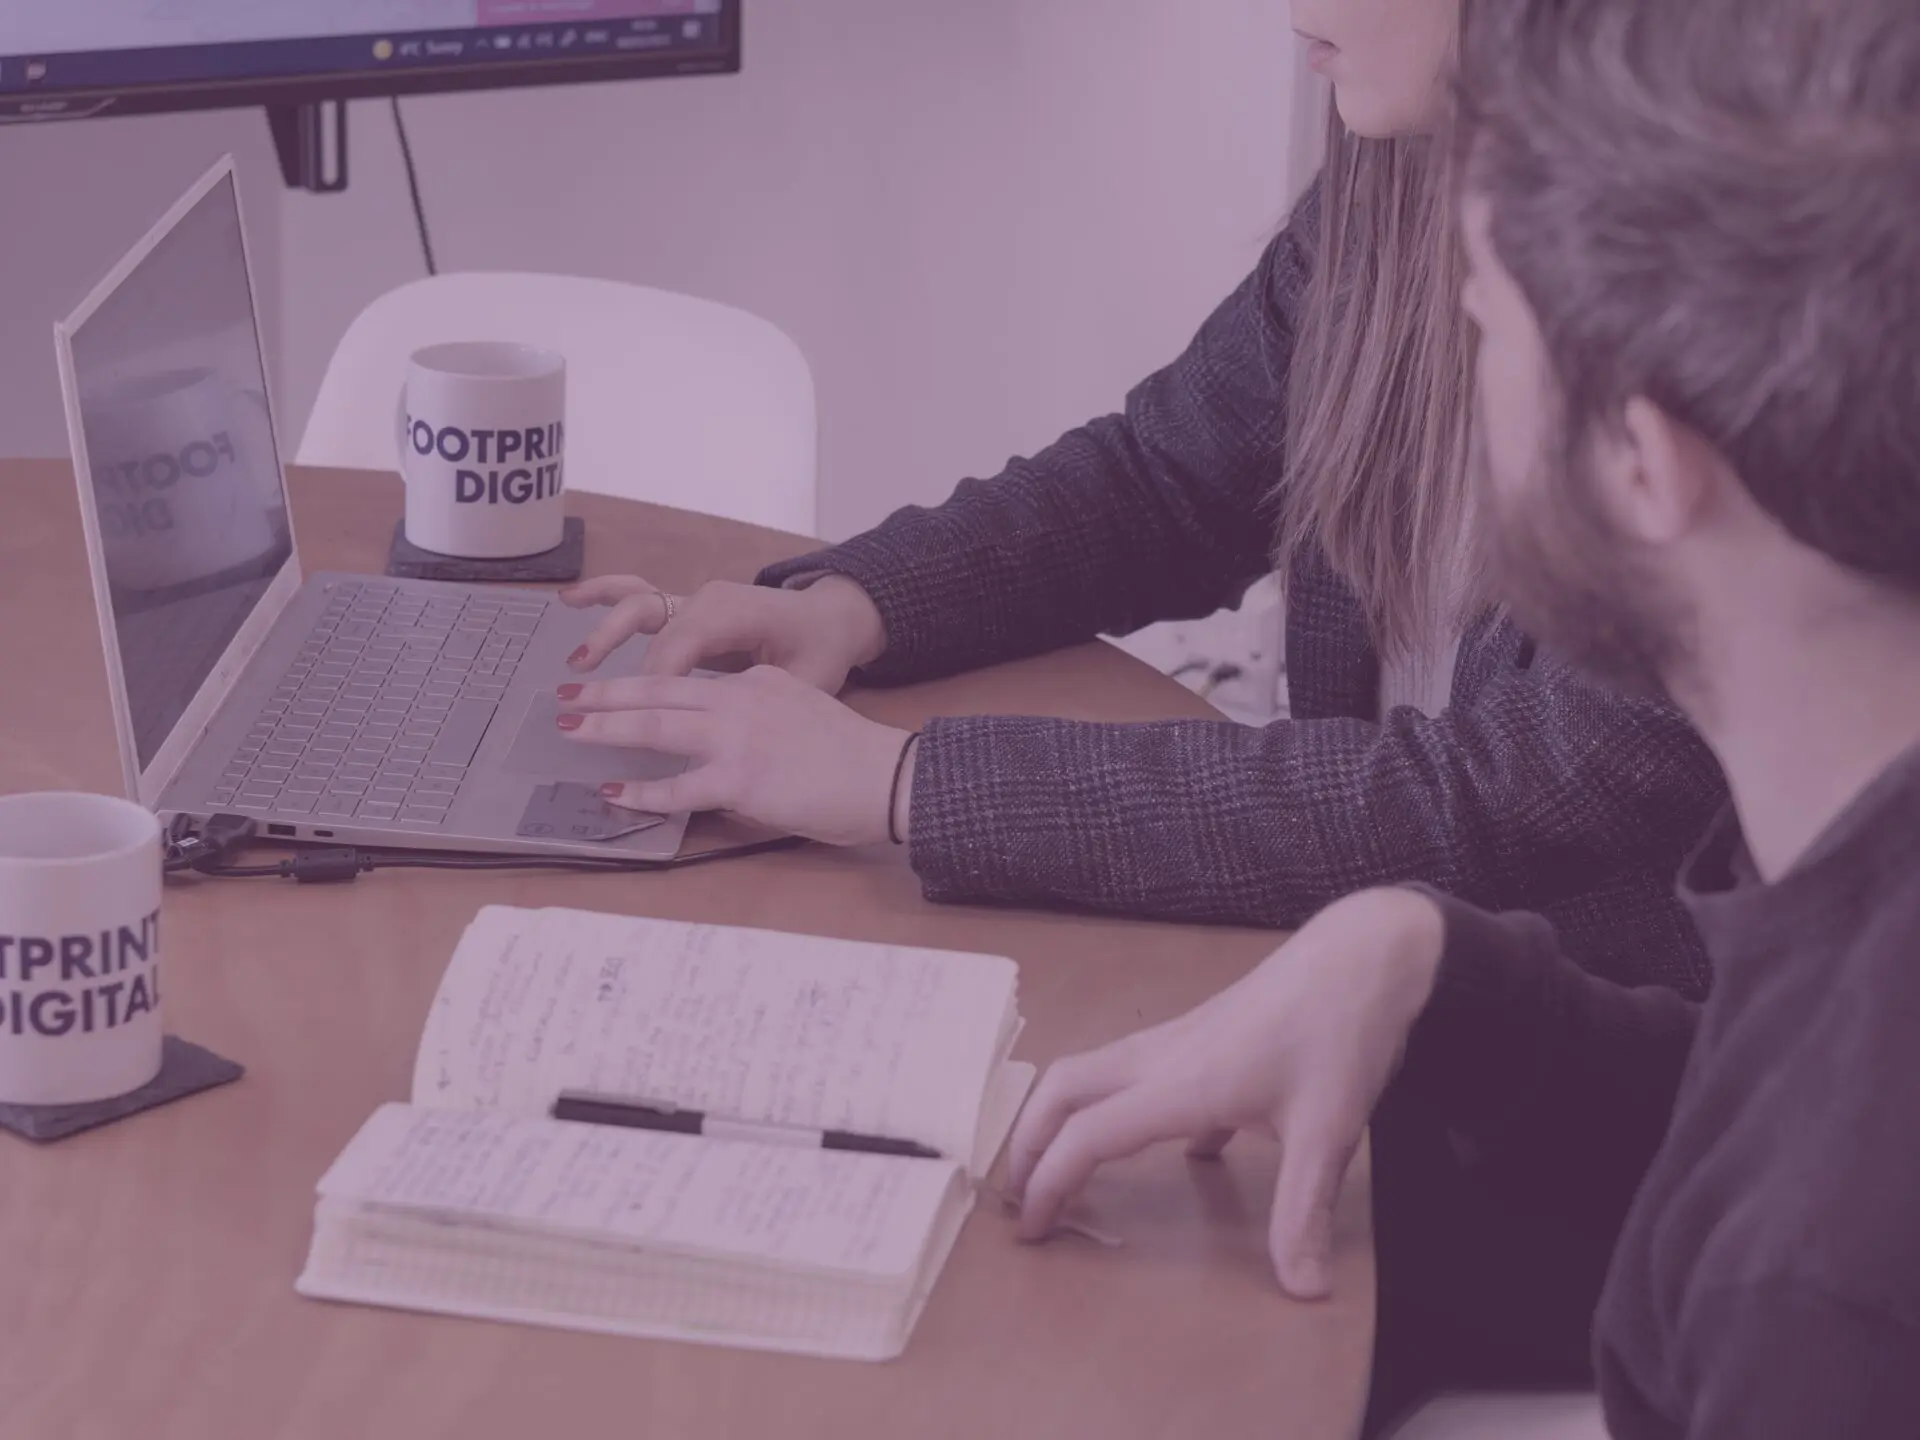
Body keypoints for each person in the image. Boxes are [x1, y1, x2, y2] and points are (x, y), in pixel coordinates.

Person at [1009, 0, 1920, 1435]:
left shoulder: (1814, 1311)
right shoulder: (1853, 933)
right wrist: (1429, 965)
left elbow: (1787, 1209)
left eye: (1483, 323)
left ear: (1642, 457)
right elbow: (1750, 1110)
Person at [548, 0, 1725, 997]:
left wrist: (902, 784)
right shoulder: (1395, 194)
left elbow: (1491, 801)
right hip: (1363, 985)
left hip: (1593, 1100)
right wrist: (854, 607)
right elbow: (1169, 481)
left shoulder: (1733, 311)